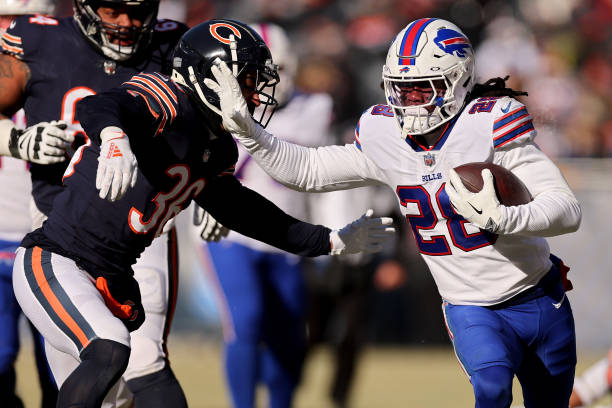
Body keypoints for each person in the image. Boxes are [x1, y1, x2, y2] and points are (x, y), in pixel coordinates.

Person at [11, 19, 395, 408]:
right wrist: (113, 138)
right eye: (247, 82)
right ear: (212, 78)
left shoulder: (218, 147)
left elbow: (247, 213)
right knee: (111, 348)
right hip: (56, 261)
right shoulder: (169, 96)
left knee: (135, 395)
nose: (258, 96)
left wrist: (327, 239)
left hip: (110, 278)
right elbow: (102, 104)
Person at [204, 17, 582, 408]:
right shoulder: (385, 135)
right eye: (402, 88)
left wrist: (506, 219)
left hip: (539, 297)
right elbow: (307, 171)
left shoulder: (488, 123)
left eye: (423, 88)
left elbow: (568, 210)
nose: (411, 99)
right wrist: (249, 130)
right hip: (469, 305)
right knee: (492, 388)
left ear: (459, 80)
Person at [0, 1, 190, 406]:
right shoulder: (40, 38)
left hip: (144, 224)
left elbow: (203, 134)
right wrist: (16, 141)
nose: (126, 23)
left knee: (144, 360)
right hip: (61, 229)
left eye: (137, 11)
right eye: (113, 9)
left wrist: (208, 197)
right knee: (100, 387)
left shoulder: (173, 44)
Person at [191, 22, 334, 408]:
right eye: (258, 74)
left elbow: (325, 179)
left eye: (279, 71)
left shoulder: (315, 108)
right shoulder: (209, 110)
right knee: (248, 320)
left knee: (289, 334)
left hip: (287, 236)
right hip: (232, 235)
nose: (270, 82)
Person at [0, 1, 62, 407]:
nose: (13, 30)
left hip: (55, 246)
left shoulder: (68, 68)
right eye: (5, 19)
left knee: (58, 371)